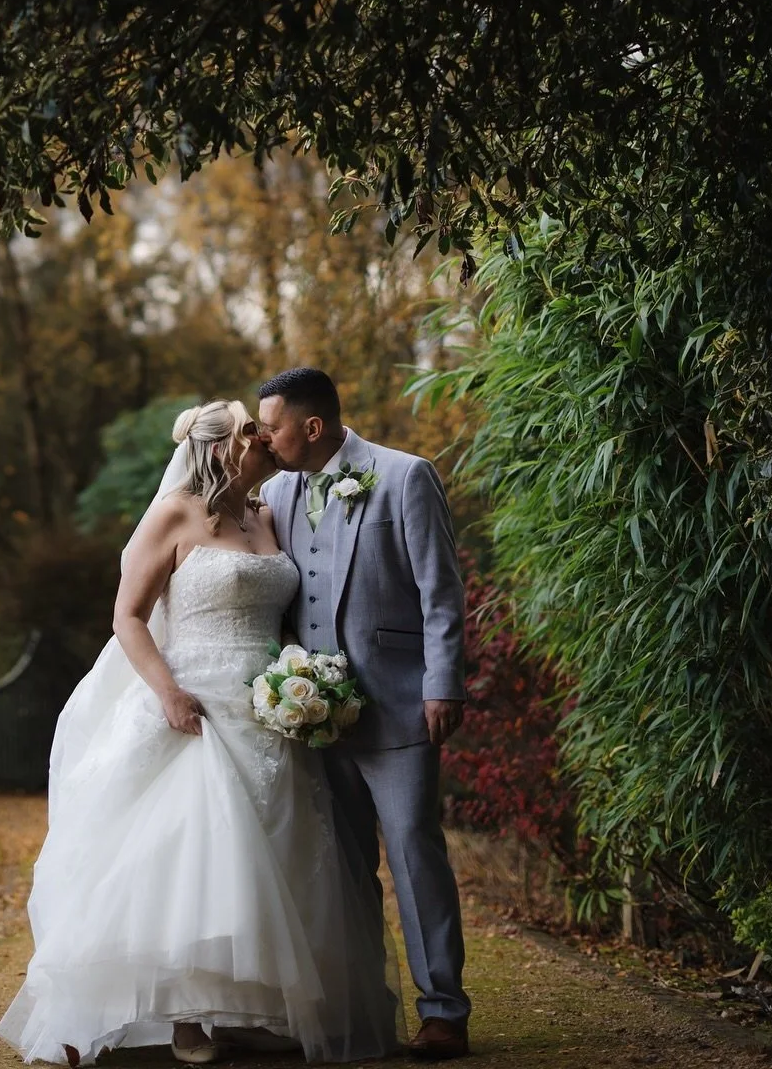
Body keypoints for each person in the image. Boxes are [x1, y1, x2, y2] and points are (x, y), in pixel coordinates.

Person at [0, 399, 400, 1067]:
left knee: (277, 852)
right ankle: (185, 1016)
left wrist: (307, 683)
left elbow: (289, 616)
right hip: (193, 703)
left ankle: (260, 1008)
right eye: (252, 433)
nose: (264, 441)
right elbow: (128, 615)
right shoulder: (174, 513)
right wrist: (167, 693)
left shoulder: (267, 515)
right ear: (219, 449)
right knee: (188, 852)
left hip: (268, 707)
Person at [258, 366, 471, 1062]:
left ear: (311, 426)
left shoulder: (404, 476)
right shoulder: (277, 493)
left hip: (401, 703)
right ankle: (364, 1009)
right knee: (344, 868)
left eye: (273, 425)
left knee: (415, 854)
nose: (266, 437)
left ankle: (442, 1011)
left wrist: (444, 684)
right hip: (316, 717)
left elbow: (440, 591)